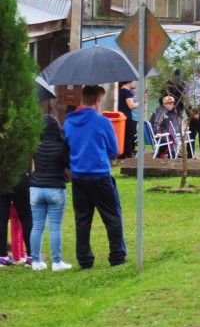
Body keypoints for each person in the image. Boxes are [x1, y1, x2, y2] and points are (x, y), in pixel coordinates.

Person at [64, 85, 126, 268]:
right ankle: (117, 255)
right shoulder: (102, 122)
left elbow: (66, 145)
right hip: (99, 175)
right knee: (112, 216)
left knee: (82, 219)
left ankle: (84, 259)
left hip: (79, 177)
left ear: (82, 99)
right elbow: (115, 150)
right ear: (98, 101)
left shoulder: (68, 122)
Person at [28, 113, 71, 271]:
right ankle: (57, 262)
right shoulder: (61, 145)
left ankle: (36, 261)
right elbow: (67, 164)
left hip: (36, 188)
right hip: (55, 188)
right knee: (55, 227)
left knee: (37, 226)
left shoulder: (35, 144)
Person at [0, 170, 32, 266]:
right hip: (20, 177)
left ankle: (2, 257)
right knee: (26, 219)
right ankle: (31, 256)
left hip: (3, 178)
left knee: (1, 219)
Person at [117, 80, 139, 158]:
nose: (133, 83)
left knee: (124, 135)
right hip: (127, 117)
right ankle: (128, 154)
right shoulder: (127, 92)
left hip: (121, 116)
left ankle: (122, 153)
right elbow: (131, 105)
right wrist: (140, 102)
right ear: (128, 82)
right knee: (129, 136)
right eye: (132, 81)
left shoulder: (120, 91)